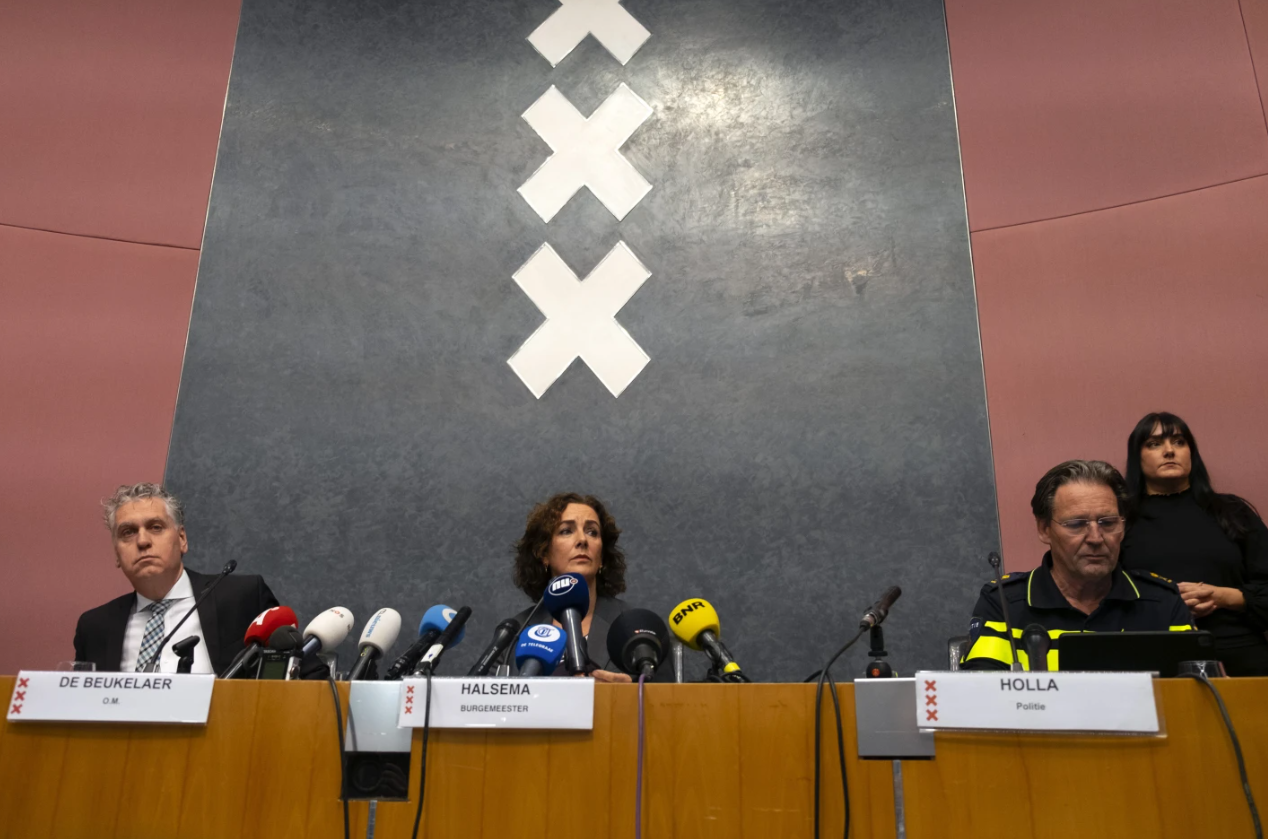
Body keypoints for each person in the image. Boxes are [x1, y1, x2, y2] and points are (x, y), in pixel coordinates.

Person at [962, 460, 1192, 670]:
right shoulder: (1004, 602)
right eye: (1076, 524)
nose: (1095, 538)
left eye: (1108, 523)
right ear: (1044, 529)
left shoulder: (1162, 602)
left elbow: (1193, 700)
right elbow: (981, 701)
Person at [73, 483, 282, 675]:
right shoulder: (94, 627)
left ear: (182, 539)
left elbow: (300, 676)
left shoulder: (241, 598)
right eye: (128, 532)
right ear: (116, 554)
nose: (143, 541)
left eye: (155, 527)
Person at [1120, 412, 1268, 676]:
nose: (1169, 451)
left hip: (1241, 654)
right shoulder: (1120, 521)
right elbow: (1103, 598)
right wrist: (1168, 605)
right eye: (1154, 444)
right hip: (1153, 657)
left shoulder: (1232, 512)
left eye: (1178, 442)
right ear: (1137, 458)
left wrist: (1224, 596)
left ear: (1191, 452)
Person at [501, 492, 659, 682]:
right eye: (566, 531)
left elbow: (670, 703)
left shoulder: (637, 626)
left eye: (592, 532)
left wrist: (629, 696)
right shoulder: (513, 633)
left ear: (601, 558)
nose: (583, 540)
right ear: (544, 553)